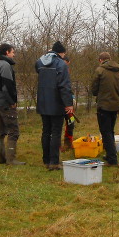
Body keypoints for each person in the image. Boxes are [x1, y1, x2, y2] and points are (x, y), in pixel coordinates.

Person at [35, 41, 74, 171]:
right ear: (60, 53)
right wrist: (68, 104)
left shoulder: (39, 62)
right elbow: (64, 86)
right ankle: (54, 162)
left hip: (43, 102)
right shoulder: (61, 64)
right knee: (56, 132)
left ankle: (46, 160)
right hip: (57, 103)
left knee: (46, 131)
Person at [0, 43, 26, 165]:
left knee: (0, 132)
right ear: (7, 53)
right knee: (13, 131)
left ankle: (1, 158)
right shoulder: (5, 66)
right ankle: (11, 159)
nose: (14, 54)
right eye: (12, 52)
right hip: (5, 104)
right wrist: (12, 102)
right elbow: (7, 86)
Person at [91, 52, 119, 166]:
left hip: (103, 105)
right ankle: (110, 154)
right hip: (115, 106)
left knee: (105, 132)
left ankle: (112, 159)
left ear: (100, 60)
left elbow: (94, 90)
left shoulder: (99, 71)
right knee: (110, 130)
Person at [60, 56, 76, 152]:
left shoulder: (67, 73)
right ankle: (57, 146)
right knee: (57, 125)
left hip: (68, 104)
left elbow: (68, 88)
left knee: (71, 122)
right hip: (58, 104)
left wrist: (72, 98)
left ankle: (68, 142)